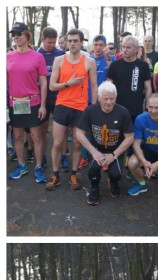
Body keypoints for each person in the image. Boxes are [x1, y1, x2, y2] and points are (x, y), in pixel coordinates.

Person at [47, 28, 98, 192]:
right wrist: (69, 83)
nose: (72, 44)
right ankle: (55, 175)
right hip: (62, 106)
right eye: (70, 41)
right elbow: (52, 86)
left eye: (76, 41)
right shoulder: (59, 60)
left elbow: (94, 85)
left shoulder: (89, 61)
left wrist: (95, 108)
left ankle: (74, 174)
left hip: (80, 108)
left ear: (82, 42)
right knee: (57, 142)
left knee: (77, 144)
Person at [75, 82, 134, 205]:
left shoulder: (123, 112)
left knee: (116, 174)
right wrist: (94, 152)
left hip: (115, 149)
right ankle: (95, 187)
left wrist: (113, 155)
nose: (109, 102)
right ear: (98, 97)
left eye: (112, 99)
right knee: (93, 170)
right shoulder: (90, 110)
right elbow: (79, 133)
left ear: (116, 97)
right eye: (105, 98)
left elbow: (130, 137)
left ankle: (113, 181)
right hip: (97, 148)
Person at [7, 22, 49, 183]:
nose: (16, 37)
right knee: (17, 137)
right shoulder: (7, 57)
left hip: (33, 103)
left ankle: (38, 167)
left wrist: (43, 105)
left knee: (36, 136)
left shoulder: (37, 56)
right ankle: (22, 165)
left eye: (19, 34)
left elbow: (43, 82)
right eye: (13, 34)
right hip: (14, 104)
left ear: (27, 35)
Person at [37, 27, 66, 170]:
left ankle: (64, 156)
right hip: (42, 98)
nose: (52, 45)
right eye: (49, 42)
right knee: (42, 130)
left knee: (62, 131)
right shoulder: (37, 54)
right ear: (42, 40)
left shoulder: (60, 54)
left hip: (59, 97)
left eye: (54, 42)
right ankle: (42, 157)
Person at [107, 35, 152, 124]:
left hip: (136, 109)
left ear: (136, 49)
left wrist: (148, 106)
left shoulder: (143, 66)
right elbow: (109, 87)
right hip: (117, 108)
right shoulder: (115, 65)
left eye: (128, 47)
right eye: (123, 47)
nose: (124, 49)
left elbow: (148, 88)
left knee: (135, 135)